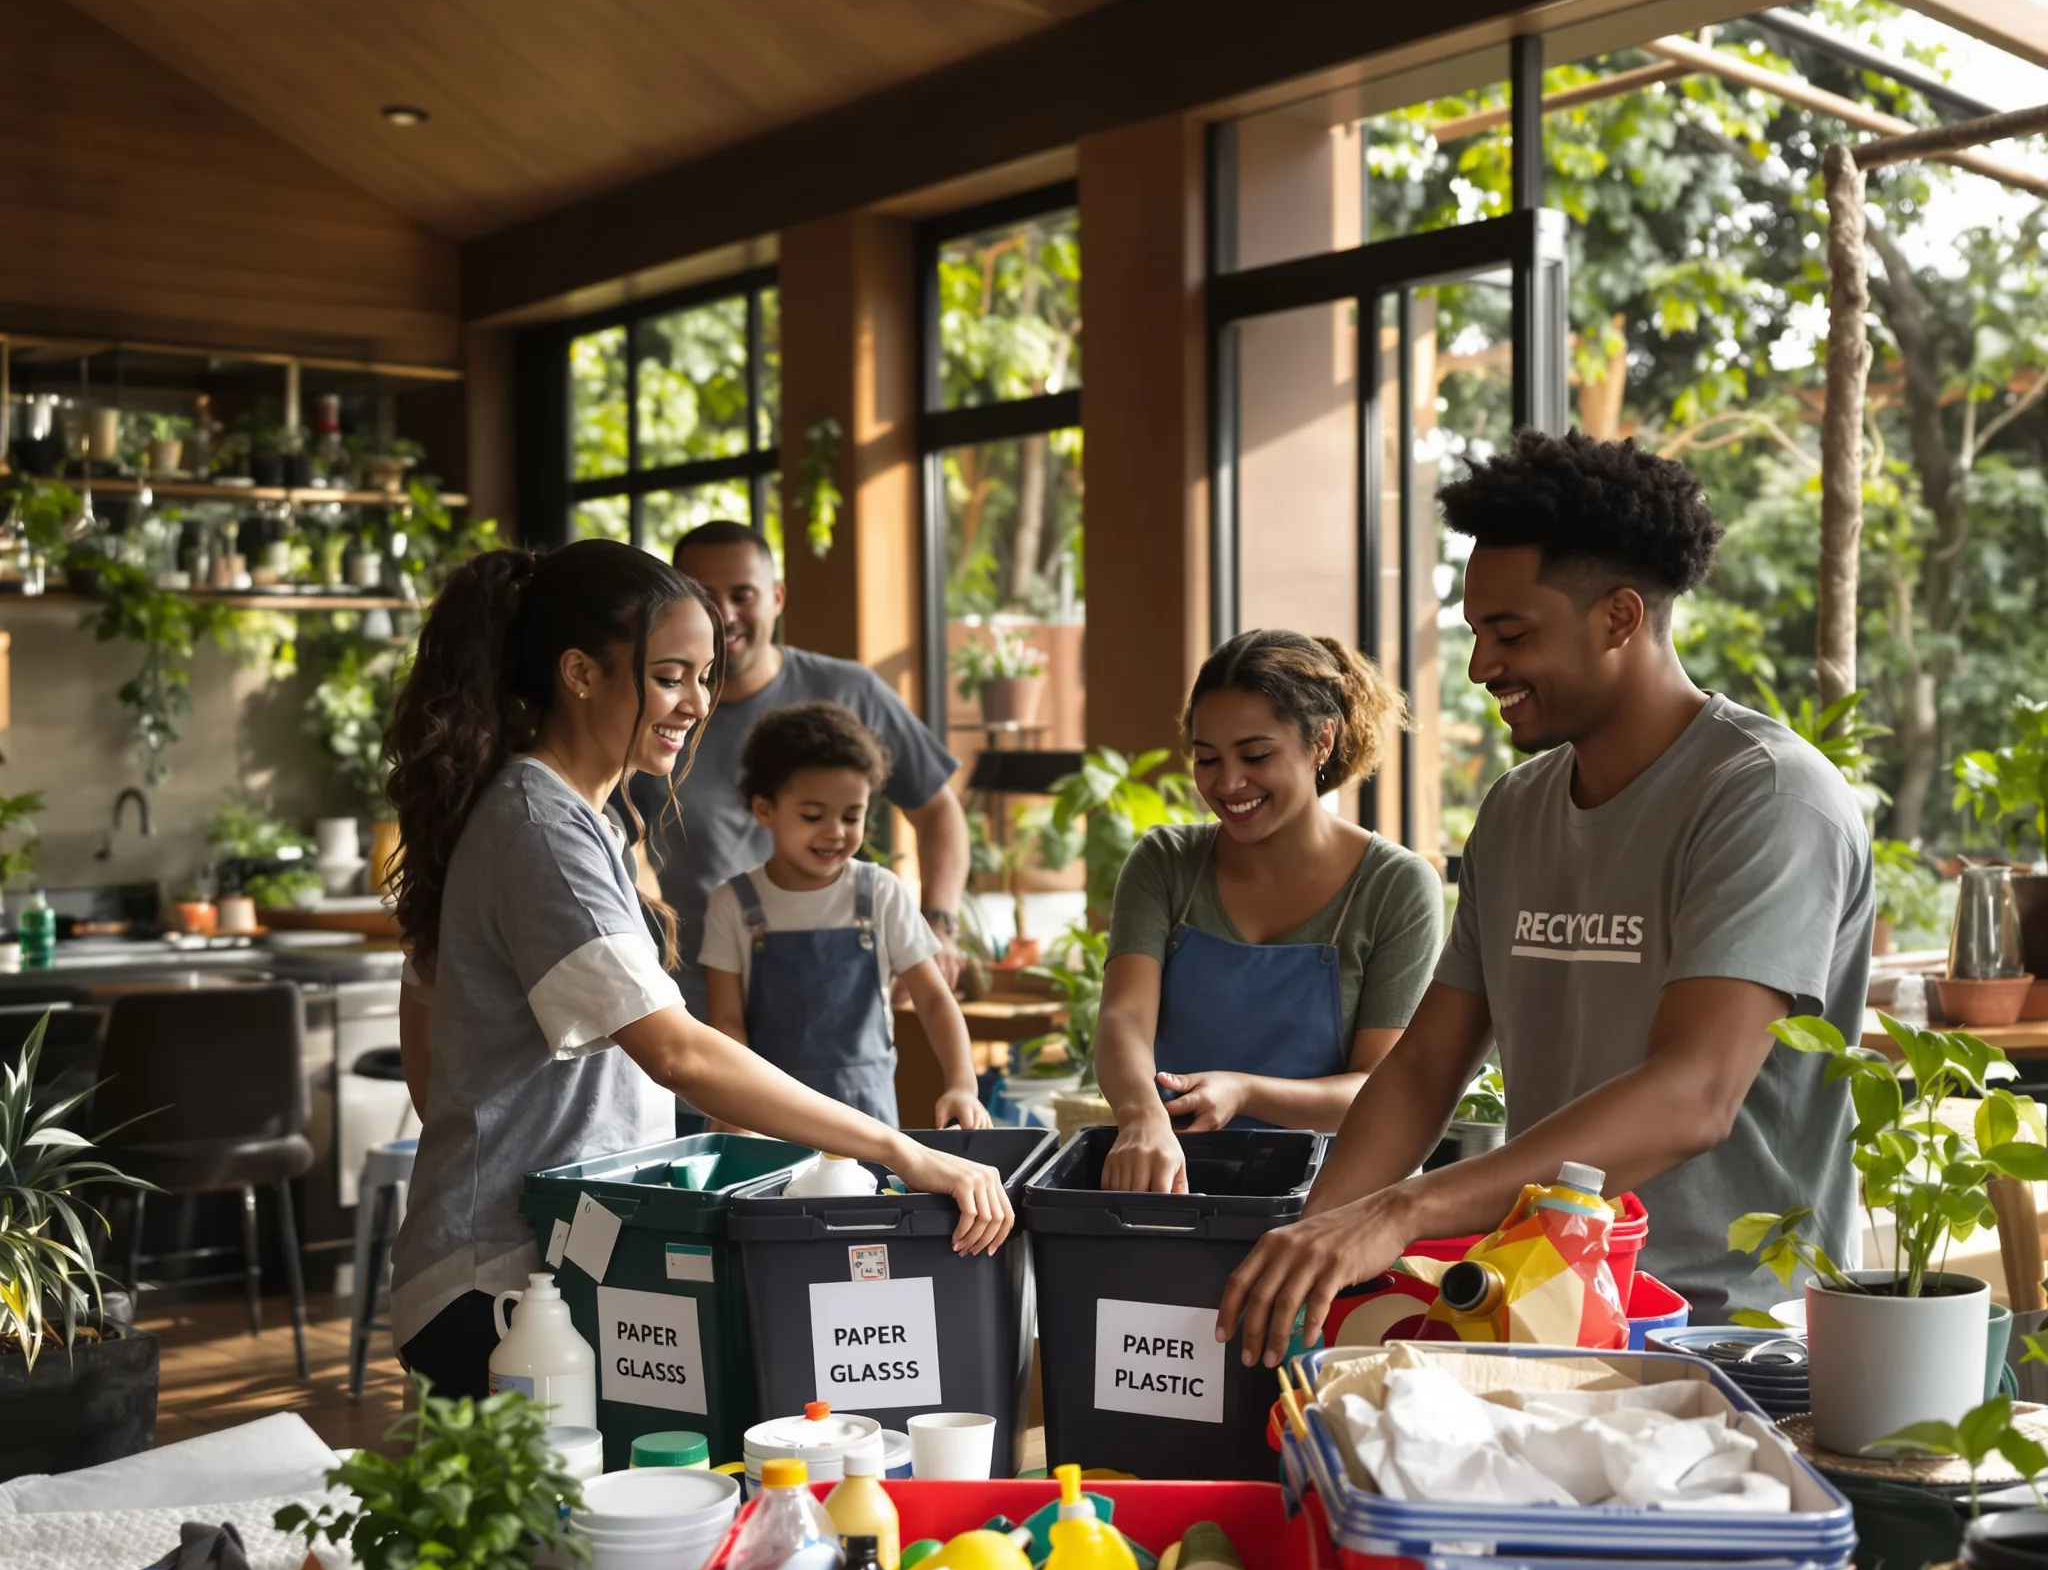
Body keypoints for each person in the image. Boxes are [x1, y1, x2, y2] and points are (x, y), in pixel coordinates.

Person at [1216, 431, 1874, 1364]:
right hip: (1544, 1317)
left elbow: (1695, 1093)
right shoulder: (1519, 808)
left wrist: (1404, 1210)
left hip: (1732, 1337)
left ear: (1619, 618)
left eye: (1512, 634)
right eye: (1478, 633)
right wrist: (1310, 1254)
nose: (1482, 667)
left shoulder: (1766, 798)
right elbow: (1424, 1065)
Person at [385, 539, 1011, 1399]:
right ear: (580, 674)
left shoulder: (578, 819)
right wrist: (903, 1150)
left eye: (705, 676)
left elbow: (432, 1046)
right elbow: (676, 1052)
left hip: (548, 1268)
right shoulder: (541, 828)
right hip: (498, 1287)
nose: (697, 703)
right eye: (671, 674)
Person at [1096, 630, 1443, 1191]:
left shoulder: (1395, 886)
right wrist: (1141, 1114)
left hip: (1341, 1203)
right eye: (1207, 759)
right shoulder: (1165, 864)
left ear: (1320, 741)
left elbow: (1384, 1090)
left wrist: (1245, 1092)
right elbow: (1123, 1019)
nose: (1229, 783)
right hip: (1181, 1189)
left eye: (1256, 755)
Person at [626, 520, 969, 1014]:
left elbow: (938, 809)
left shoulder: (850, 691)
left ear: (777, 597)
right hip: (692, 1004)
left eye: (743, 594)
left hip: (836, 1002)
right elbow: (620, 840)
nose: (725, 614)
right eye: (704, 596)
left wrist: (940, 925)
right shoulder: (649, 710)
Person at [702, 701, 991, 1129]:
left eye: (852, 816)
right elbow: (726, 1022)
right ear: (764, 809)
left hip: (868, 1116)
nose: (835, 831)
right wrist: (733, 1109)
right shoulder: (732, 903)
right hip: (770, 1113)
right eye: (813, 815)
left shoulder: (880, 893)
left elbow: (933, 998)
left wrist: (962, 1084)